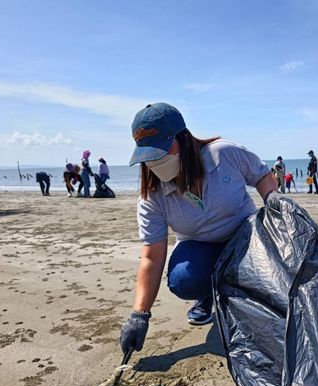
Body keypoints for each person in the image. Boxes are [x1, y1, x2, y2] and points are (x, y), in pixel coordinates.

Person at [119, 102, 278, 356]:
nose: (155, 161)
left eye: (160, 150)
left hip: (245, 237)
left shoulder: (223, 154)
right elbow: (152, 256)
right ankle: (206, 295)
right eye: (147, 155)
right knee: (184, 280)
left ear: (183, 138)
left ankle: (237, 292)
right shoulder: (152, 197)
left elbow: (261, 175)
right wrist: (140, 315)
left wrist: (274, 204)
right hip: (199, 247)